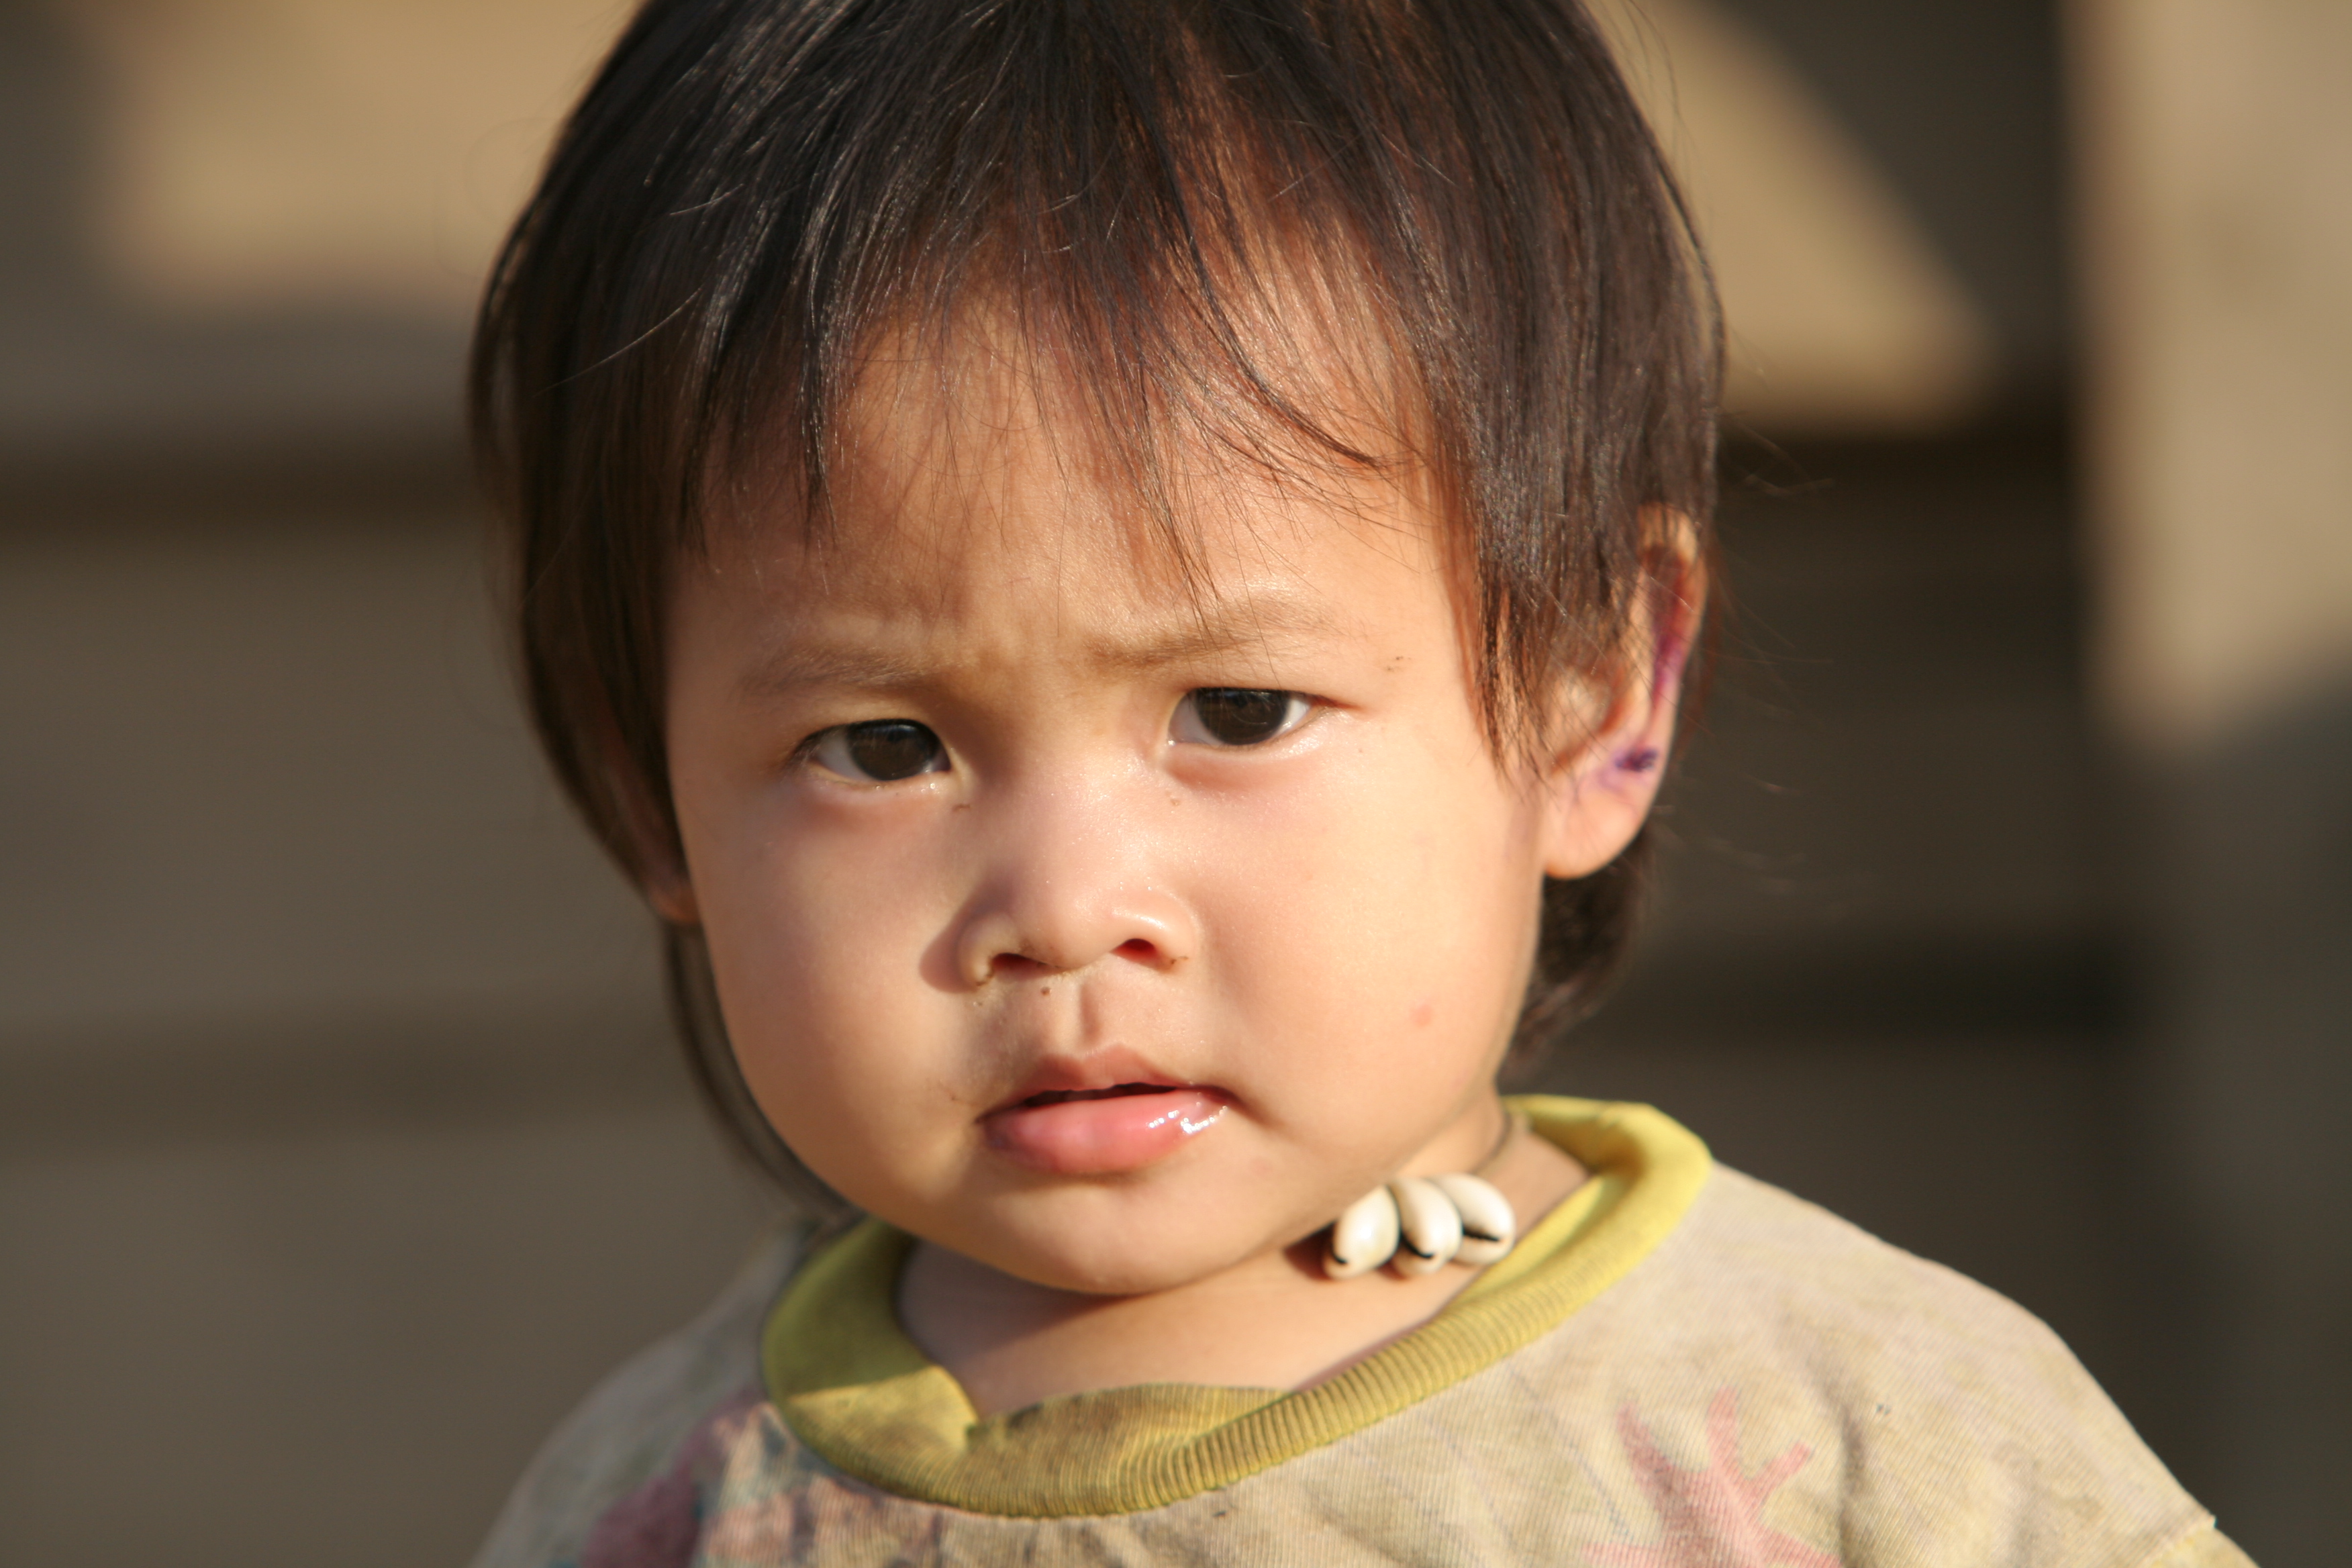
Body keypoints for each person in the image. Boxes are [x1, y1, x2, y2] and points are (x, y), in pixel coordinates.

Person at [465, 1, 2247, 1563]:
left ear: (1595, 703)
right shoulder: (662, 1497)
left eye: (1237, 711)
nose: (1072, 908)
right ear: (651, 795)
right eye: (884, 748)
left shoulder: (1855, 1439)